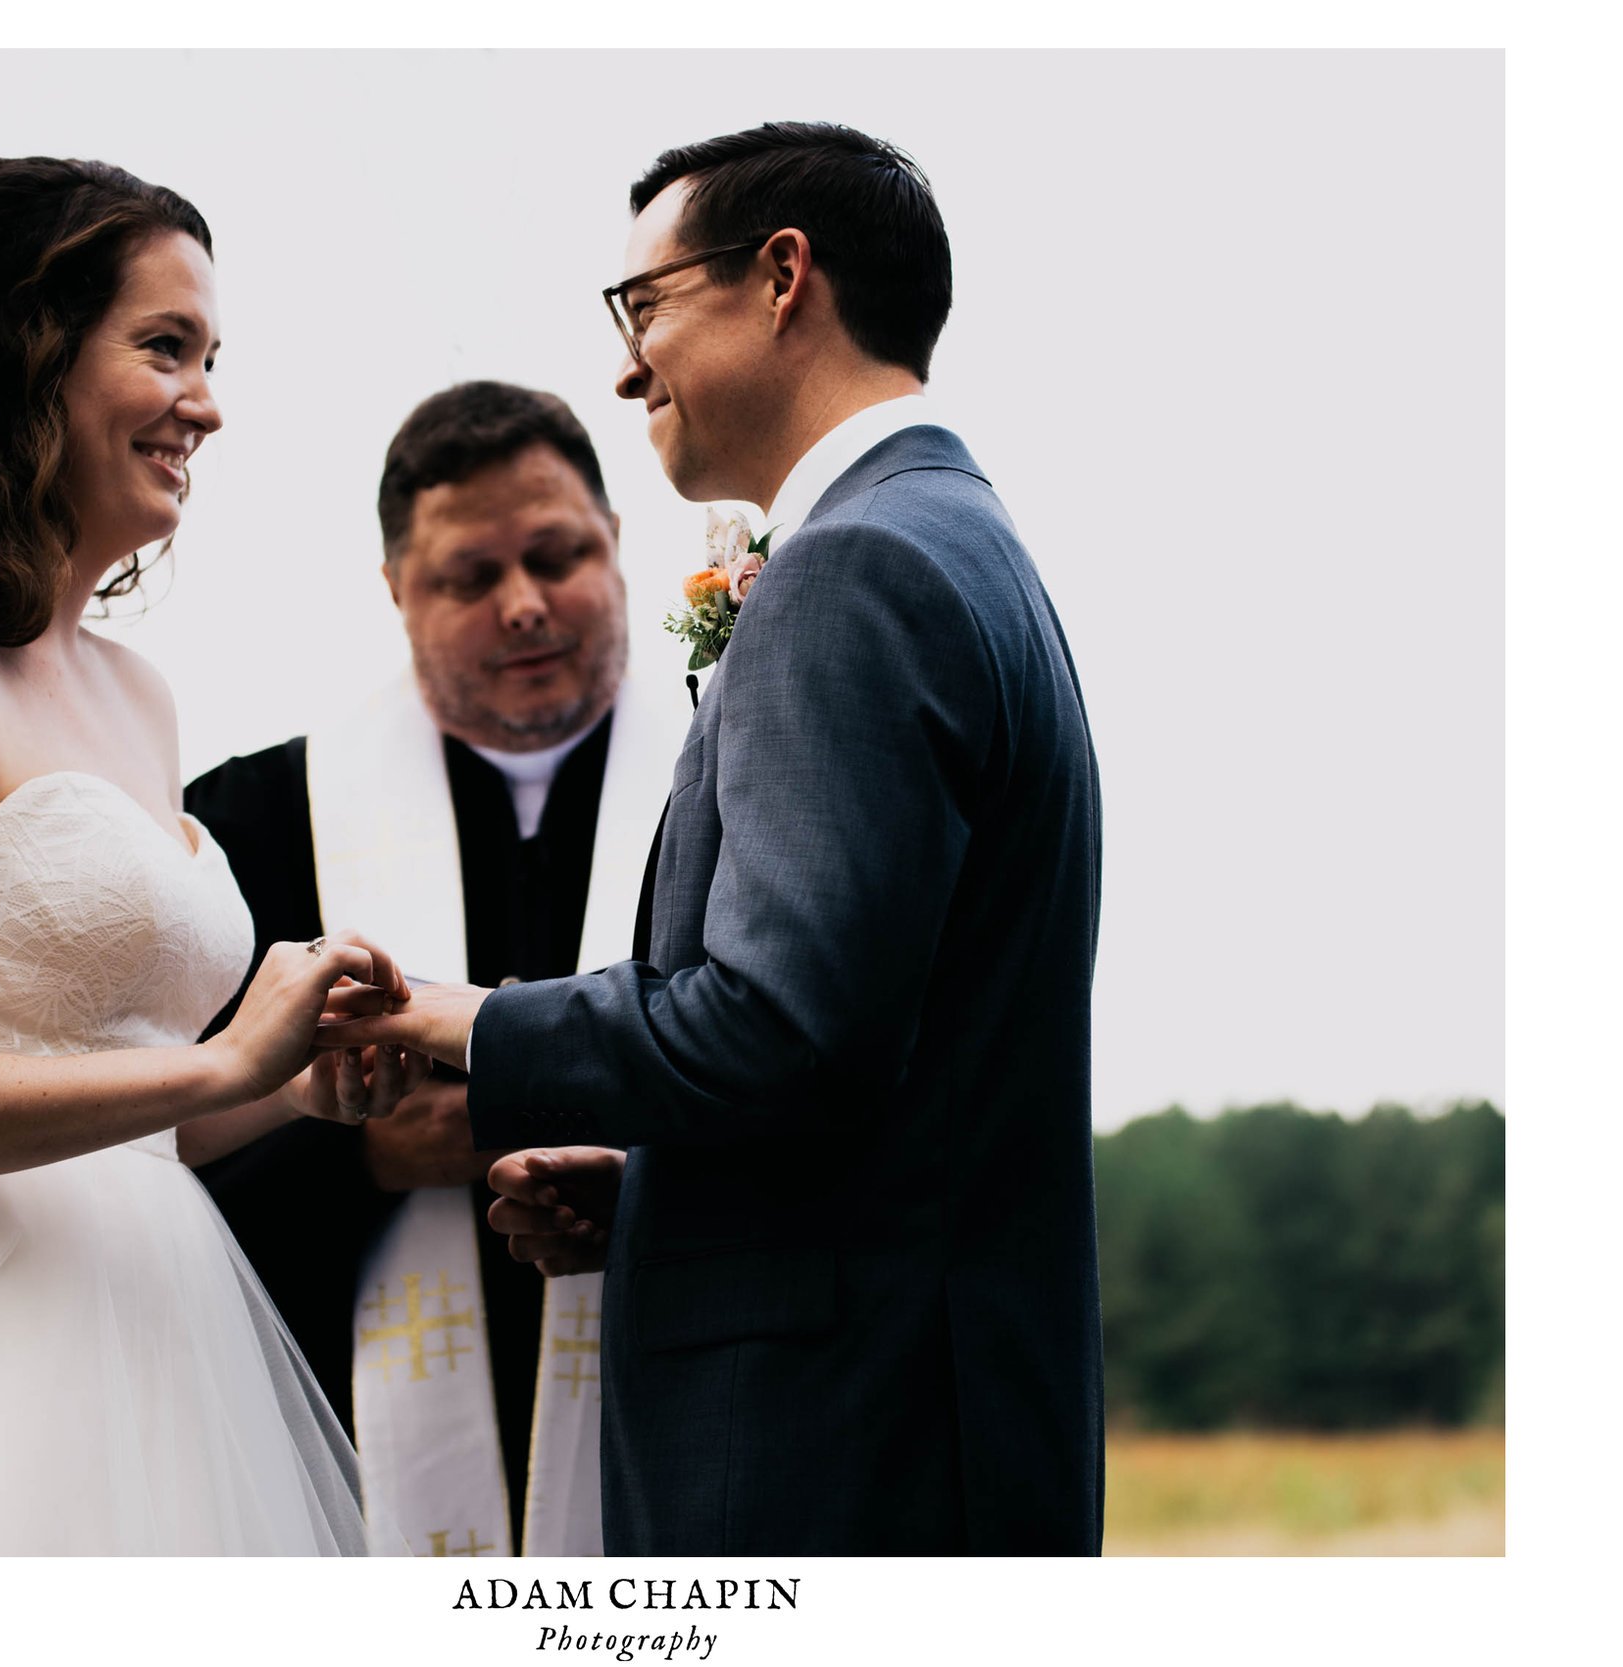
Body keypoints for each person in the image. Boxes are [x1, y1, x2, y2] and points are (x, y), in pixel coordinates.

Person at [329, 122, 1107, 1554]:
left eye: (646, 305)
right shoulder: (962, 539)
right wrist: (660, 1201)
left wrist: (458, 1015)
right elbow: (887, 1068)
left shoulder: (854, 568)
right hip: (925, 1410)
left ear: (781, 278)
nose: (628, 364)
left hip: (830, 1447)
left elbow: (779, 1025)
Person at [0, 156, 418, 1555]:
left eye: (213, 356)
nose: (209, 402)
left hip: (158, 1323)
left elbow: (126, 1097)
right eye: (165, 347)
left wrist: (291, 1083)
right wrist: (228, 1060)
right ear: (25, 353)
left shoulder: (138, 695)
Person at [186, 382, 682, 1556]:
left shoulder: (732, 788)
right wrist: (356, 1150)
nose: (524, 606)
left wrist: (646, 1171)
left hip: (675, 1434)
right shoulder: (252, 827)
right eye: (470, 576)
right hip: (341, 1453)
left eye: (558, 556)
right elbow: (162, 1154)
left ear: (615, 544)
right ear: (397, 590)